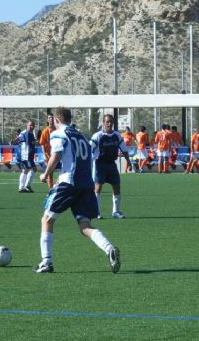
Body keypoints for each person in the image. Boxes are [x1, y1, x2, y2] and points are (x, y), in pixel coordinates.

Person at [34, 106, 120, 274]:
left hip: (69, 184)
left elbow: (56, 154)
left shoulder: (58, 134)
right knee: (85, 225)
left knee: (47, 220)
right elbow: (84, 158)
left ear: (57, 120)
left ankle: (46, 262)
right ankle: (109, 249)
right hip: (85, 184)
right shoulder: (81, 135)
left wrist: (46, 174)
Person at [90, 114, 132, 219]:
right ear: (103, 123)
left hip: (112, 164)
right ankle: (97, 212)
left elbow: (124, 149)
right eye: (107, 122)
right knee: (98, 187)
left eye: (111, 122)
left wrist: (129, 162)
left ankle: (116, 211)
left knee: (116, 186)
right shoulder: (98, 136)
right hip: (100, 164)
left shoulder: (117, 135)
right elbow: (89, 148)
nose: (109, 124)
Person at [17, 120, 37, 193]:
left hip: (25, 155)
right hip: (26, 155)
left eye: (33, 125)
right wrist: (35, 142)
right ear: (27, 125)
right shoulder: (27, 133)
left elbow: (18, 140)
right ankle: (23, 186)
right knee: (29, 169)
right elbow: (29, 144)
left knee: (28, 170)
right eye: (30, 125)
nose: (32, 127)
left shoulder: (24, 133)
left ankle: (25, 186)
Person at [39, 113, 57, 189]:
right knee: (50, 172)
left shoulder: (57, 129)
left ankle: (56, 184)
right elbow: (42, 144)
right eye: (49, 118)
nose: (51, 119)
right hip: (48, 154)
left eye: (52, 117)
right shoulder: (45, 131)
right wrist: (44, 154)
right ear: (47, 120)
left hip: (57, 153)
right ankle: (51, 189)